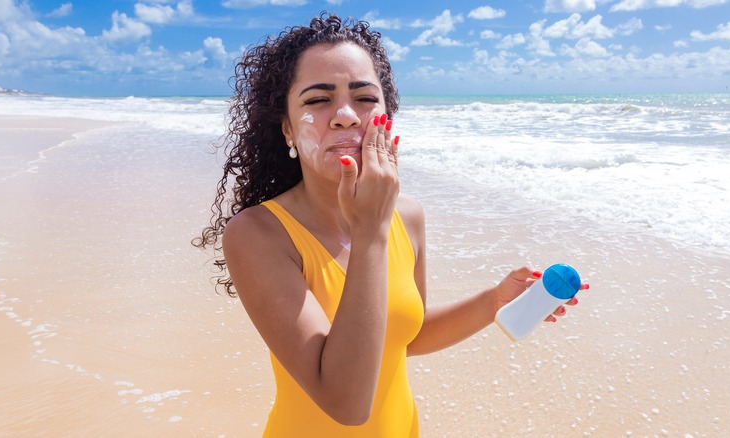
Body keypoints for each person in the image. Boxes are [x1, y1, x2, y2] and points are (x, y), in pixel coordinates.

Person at [194, 12, 588, 437]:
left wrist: (492, 302)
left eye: (364, 98)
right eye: (317, 100)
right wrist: (370, 233)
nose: (346, 115)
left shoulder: (408, 215)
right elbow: (345, 401)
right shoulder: (259, 234)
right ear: (288, 128)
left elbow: (405, 337)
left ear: (387, 115)